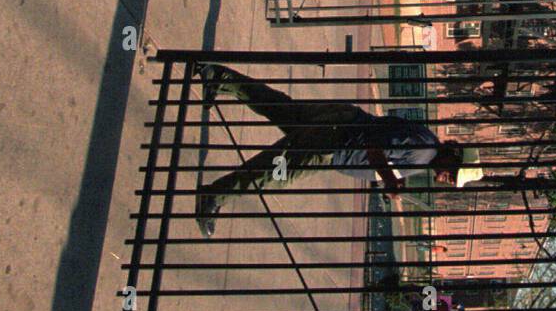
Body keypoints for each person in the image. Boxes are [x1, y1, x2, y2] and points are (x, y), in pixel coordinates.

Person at [194, 62, 482, 236]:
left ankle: (218, 77)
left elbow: (384, 144)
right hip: (332, 142)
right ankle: (213, 196)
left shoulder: (425, 144)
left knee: (280, 108)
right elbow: (374, 144)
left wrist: (393, 174)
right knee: (277, 171)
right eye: (452, 173)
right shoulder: (424, 151)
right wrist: (391, 178)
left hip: (339, 121)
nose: (446, 179)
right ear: (453, 155)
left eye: (452, 180)